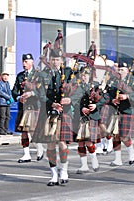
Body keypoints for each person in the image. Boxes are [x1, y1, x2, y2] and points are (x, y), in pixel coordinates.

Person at [43, 48, 80, 186]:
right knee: (50, 144)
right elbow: (40, 94)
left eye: (57, 59)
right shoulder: (44, 74)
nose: (55, 62)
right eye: (52, 59)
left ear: (61, 60)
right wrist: (51, 104)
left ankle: (64, 170)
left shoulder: (69, 73)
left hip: (64, 113)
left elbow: (79, 91)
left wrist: (70, 100)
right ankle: (53, 174)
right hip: (49, 113)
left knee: (62, 144)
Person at [105, 61, 134, 166]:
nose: (120, 71)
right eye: (119, 69)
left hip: (127, 110)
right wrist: (112, 100)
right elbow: (108, 93)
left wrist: (127, 96)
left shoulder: (132, 80)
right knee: (115, 135)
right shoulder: (114, 80)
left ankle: (131, 151)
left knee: (124, 136)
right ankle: (118, 159)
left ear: (127, 70)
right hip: (116, 110)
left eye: (122, 70)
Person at [12, 53, 44, 163]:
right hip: (23, 106)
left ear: (32, 62)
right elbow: (14, 90)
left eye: (26, 62)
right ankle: (26, 154)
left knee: (33, 130)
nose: (24, 64)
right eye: (23, 61)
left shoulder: (38, 75)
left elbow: (42, 91)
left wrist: (32, 93)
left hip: (34, 106)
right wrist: (18, 97)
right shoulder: (20, 76)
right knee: (24, 131)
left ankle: (39, 149)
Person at [74, 68, 106, 173]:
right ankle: (84, 165)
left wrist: (95, 105)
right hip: (81, 116)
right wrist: (81, 109)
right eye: (82, 75)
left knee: (88, 141)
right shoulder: (78, 87)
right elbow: (75, 101)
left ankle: (94, 159)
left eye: (86, 75)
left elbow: (104, 99)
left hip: (92, 116)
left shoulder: (96, 85)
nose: (84, 77)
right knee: (80, 142)